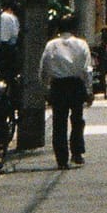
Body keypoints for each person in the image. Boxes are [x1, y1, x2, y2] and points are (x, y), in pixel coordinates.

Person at [37, 19, 92, 167]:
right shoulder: (81, 44)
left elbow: (44, 67)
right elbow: (87, 69)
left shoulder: (51, 45)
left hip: (58, 85)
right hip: (76, 84)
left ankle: (61, 158)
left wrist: (45, 87)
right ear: (74, 28)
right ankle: (77, 152)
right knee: (77, 119)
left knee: (59, 122)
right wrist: (89, 90)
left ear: (58, 29)